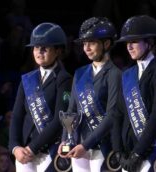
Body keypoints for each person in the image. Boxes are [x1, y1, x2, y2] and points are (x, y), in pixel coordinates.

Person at [57, 17, 122, 172]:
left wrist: (85, 145)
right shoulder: (80, 73)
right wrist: (65, 140)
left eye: (91, 43)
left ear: (106, 44)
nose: (86, 48)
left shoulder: (115, 74)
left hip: (103, 147)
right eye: (84, 44)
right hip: (78, 146)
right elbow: (71, 111)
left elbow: (112, 115)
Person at [114, 15, 156, 172]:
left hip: (150, 156)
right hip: (127, 157)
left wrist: (137, 154)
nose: (129, 47)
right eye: (127, 42)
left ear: (150, 42)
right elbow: (118, 114)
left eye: (134, 41)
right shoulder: (127, 74)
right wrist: (119, 152)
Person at [9, 22, 72, 172]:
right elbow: (17, 116)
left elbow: (60, 119)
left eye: (45, 48)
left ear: (57, 50)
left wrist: (33, 148)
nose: (39, 52)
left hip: (49, 152)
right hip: (23, 154)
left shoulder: (64, 79)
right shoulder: (27, 79)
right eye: (36, 48)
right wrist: (15, 147)